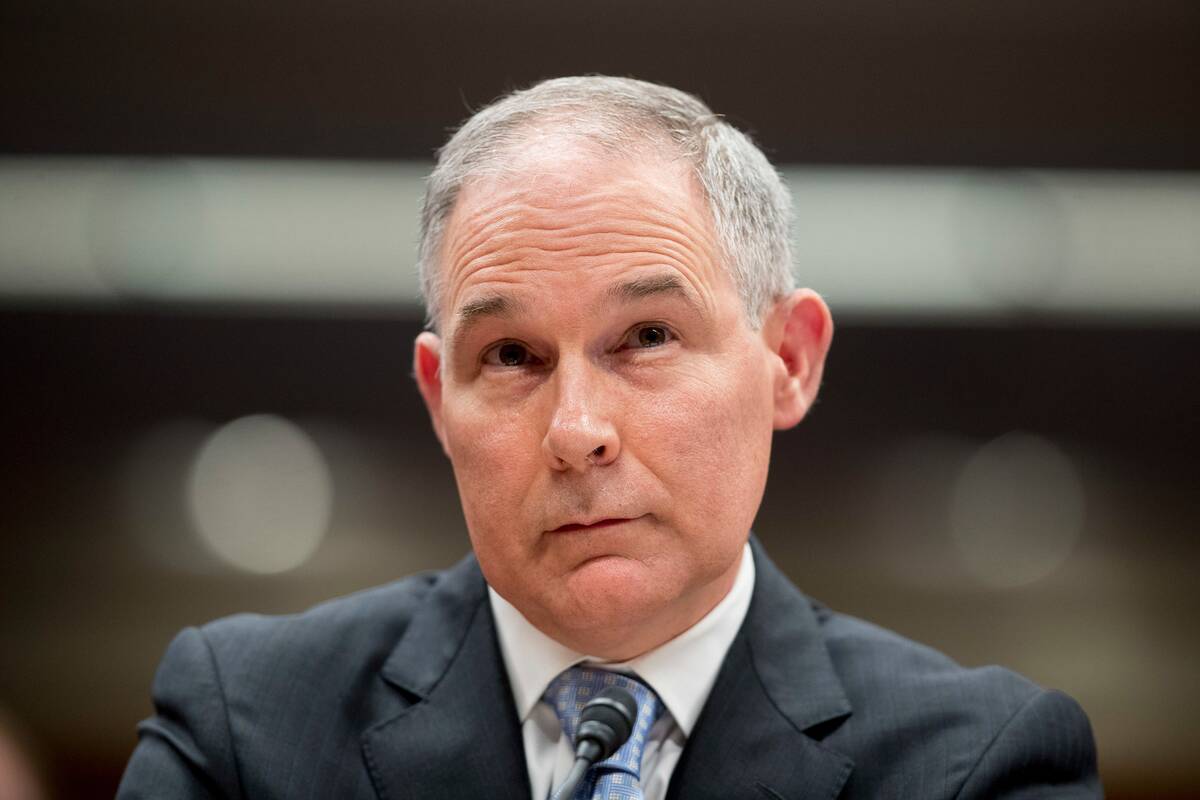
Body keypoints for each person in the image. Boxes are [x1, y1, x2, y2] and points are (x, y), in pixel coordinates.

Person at [118, 76, 1101, 799]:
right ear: (437, 398)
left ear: (788, 361)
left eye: (646, 336)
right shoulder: (244, 728)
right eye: (510, 355)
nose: (576, 431)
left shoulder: (980, 762)